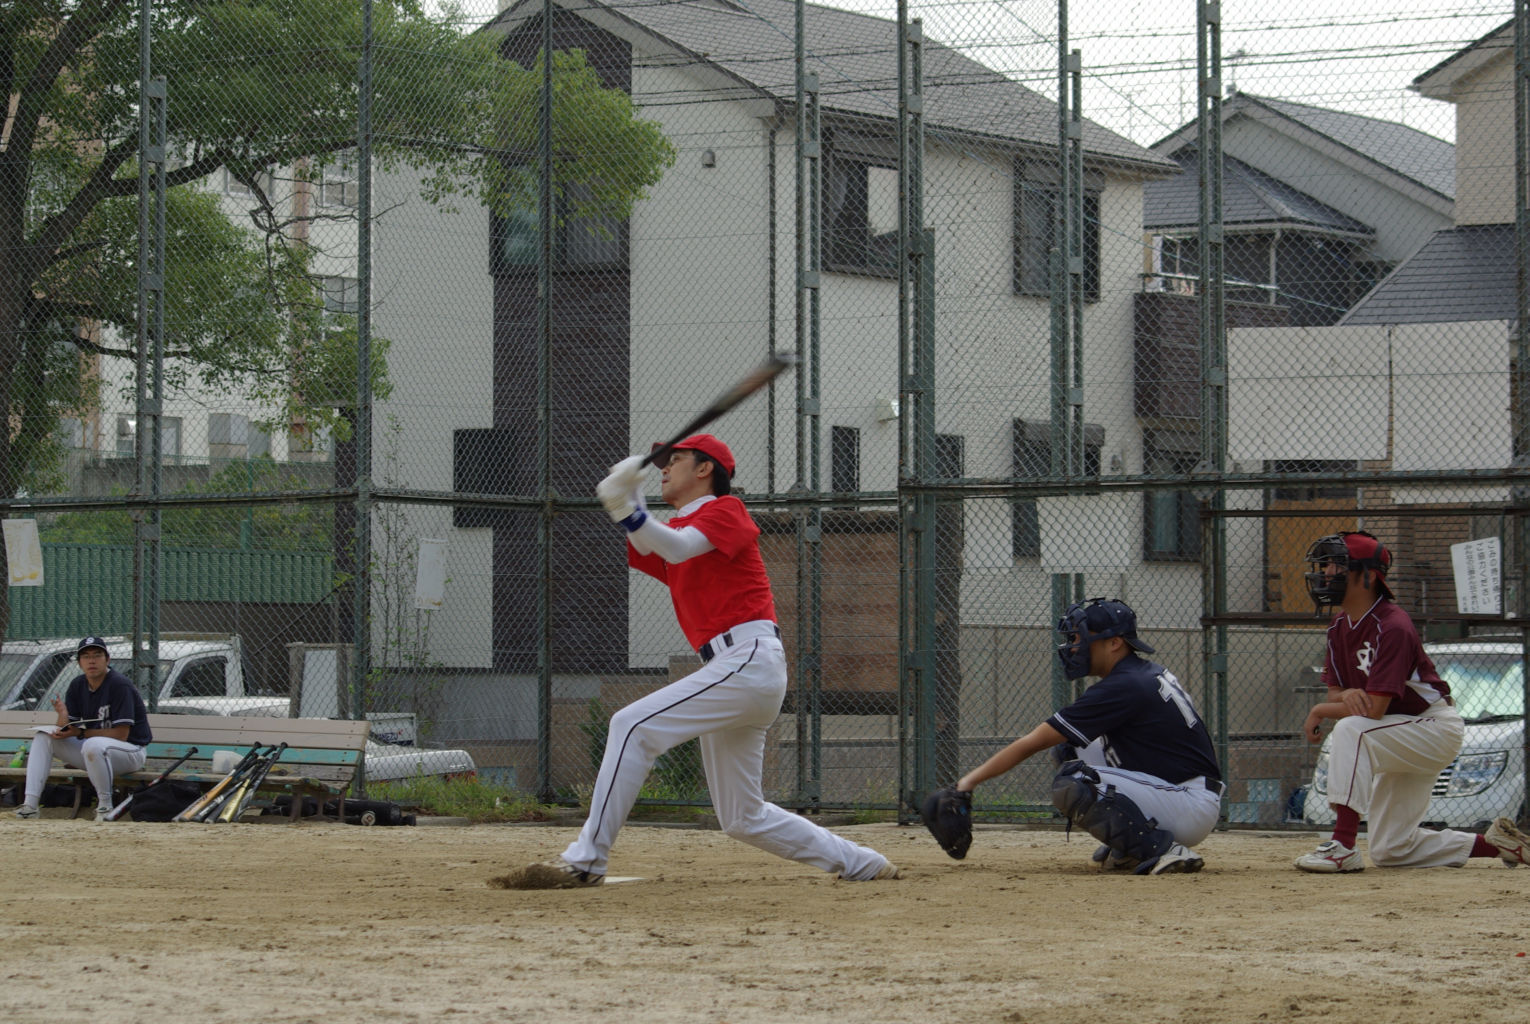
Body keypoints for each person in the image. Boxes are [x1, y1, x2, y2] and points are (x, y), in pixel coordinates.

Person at [507, 434, 898, 888]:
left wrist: (625, 505)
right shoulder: (679, 526)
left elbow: (676, 546)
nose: (664, 468)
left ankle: (587, 859)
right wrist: (630, 495)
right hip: (733, 668)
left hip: (747, 659)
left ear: (705, 469)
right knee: (742, 817)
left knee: (631, 727)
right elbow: (653, 543)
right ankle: (863, 863)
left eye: (675, 460)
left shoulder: (725, 510)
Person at [1294, 531, 1530, 872]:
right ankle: (1498, 845)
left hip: (1432, 728)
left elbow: (1374, 709)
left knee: (1350, 730)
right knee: (1392, 850)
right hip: (1396, 732)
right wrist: (1343, 696)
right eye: (1326, 565)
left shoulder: (1393, 625)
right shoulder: (1338, 627)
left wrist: (1320, 710)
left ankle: (1343, 846)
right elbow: (1338, 694)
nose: (1327, 573)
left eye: (1338, 565)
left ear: (1368, 576)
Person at [952, 597, 1221, 875]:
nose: (1074, 646)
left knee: (1075, 781)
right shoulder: (1141, 673)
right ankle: (1132, 843)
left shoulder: (1125, 684)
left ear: (1114, 643)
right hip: (1180, 794)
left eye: (1081, 637)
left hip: (1186, 804)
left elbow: (1033, 742)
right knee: (1069, 749)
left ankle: (1160, 848)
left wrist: (967, 783)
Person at [12, 636, 152, 822]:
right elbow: (67, 729)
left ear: (107, 659)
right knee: (44, 737)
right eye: (86, 656)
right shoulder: (78, 685)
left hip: (130, 752)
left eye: (97, 655)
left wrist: (82, 733)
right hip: (96, 753)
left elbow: (121, 734)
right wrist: (62, 715)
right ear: (79, 663)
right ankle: (30, 806)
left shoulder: (119, 685)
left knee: (92, 745)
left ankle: (105, 807)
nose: (91, 661)